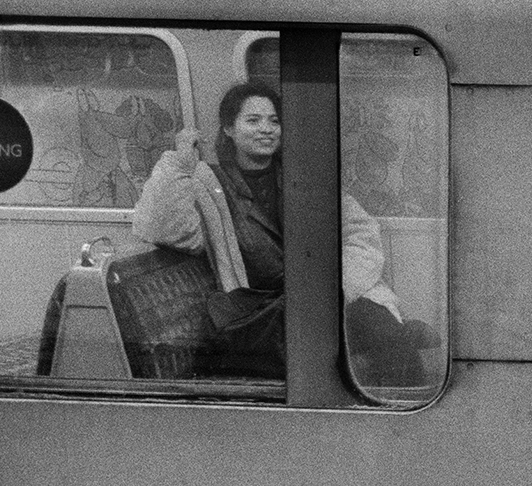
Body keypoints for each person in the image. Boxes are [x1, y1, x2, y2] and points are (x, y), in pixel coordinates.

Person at [133, 80, 438, 382]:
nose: (266, 129)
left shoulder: (304, 177)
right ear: (228, 129)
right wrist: (179, 163)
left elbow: (360, 233)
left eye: (274, 121)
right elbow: (159, 227)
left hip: (324, 297)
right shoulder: (208, 183)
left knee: (382, 328)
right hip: (259, 310)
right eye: (253, 120)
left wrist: (337, 288)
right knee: (378, 336)